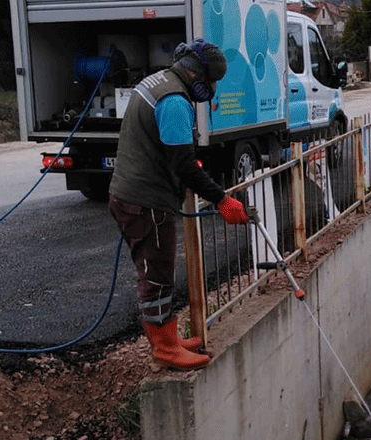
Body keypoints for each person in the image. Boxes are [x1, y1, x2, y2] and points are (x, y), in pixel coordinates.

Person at [108, 39, 248, 370]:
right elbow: (184, 165)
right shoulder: (174, 101)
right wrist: (222, 200)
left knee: (159, 270)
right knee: (157, 275)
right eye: (211, 80)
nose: (211, 88)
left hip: (133, 193)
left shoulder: (157, 82)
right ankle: (166, 350)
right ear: (196, 73)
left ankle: (169, 339)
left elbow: (175, 157)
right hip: (145, 202)